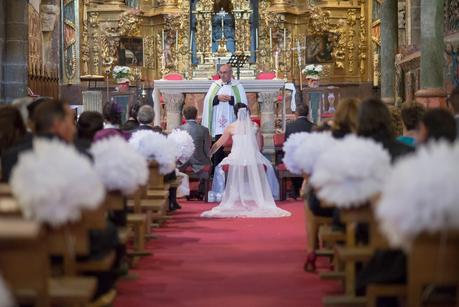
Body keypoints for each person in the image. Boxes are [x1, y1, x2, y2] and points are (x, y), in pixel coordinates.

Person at [202, 103, 289, 218]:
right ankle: (265, 194)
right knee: (269, 167)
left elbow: (219, 143)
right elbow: (258, 146)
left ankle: (219, 194)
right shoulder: (254, 126)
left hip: (235, 158)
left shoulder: (231, 127)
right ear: (247, 112)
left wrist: (209, 154)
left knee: (219, 168)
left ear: (235, 113)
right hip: (253, 156)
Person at [201, 64, 248, 169]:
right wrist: (217, 98)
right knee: (218, 147)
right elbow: (207, 101)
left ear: (231, 73)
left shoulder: (238, 86)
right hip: (217, 123)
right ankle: (216, 170)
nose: (222, 75)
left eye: (225, 73)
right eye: (220, 73)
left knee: (232, 147)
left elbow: (243, 103)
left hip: (232, 122)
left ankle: (232, 170)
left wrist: (231, 99)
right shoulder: (215, 85)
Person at [178, 106, 211, 199]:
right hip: (199, 162)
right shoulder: (204, 129)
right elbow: (207, 149)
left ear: (184, 116)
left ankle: (183, 191)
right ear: (196, 115)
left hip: (182, 163)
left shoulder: (178, 128)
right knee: (209, 163)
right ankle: (201, 192)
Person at [285, 103, 315, 199]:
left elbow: (286, 143)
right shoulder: (313, 126)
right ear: (308, 113)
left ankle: (296, 189)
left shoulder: (290, 126)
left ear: (296, 113)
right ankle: (306, 188)